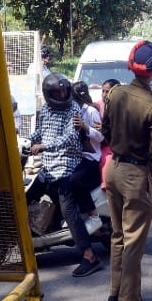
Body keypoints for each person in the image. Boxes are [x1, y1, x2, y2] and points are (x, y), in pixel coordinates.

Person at [101, 41, 152, 301]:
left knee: (118, 236)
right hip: (135, 173)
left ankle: (115, 293)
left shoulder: (114, 93)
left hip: (113, 168)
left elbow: (105, 129)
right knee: (133, 240)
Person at [29, 75, 100, 277]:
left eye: (64, 91)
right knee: (27, 195)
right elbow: (40, 132)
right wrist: (25, 140)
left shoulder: (74, 110)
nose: (62, 95)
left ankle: (89, 257)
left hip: (67, 168)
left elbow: (70, 137)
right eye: (57, 93)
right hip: (48, 167)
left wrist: (44, 146)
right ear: (49, 95)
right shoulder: (45, 110)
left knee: (69, 210)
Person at [70, 81, 105, 236]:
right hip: (75, 156)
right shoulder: (71, 111)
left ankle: (93, 215)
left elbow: (100, 136)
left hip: (90, 158)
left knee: (75, 180)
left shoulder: (91, 111)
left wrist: (85, 127)